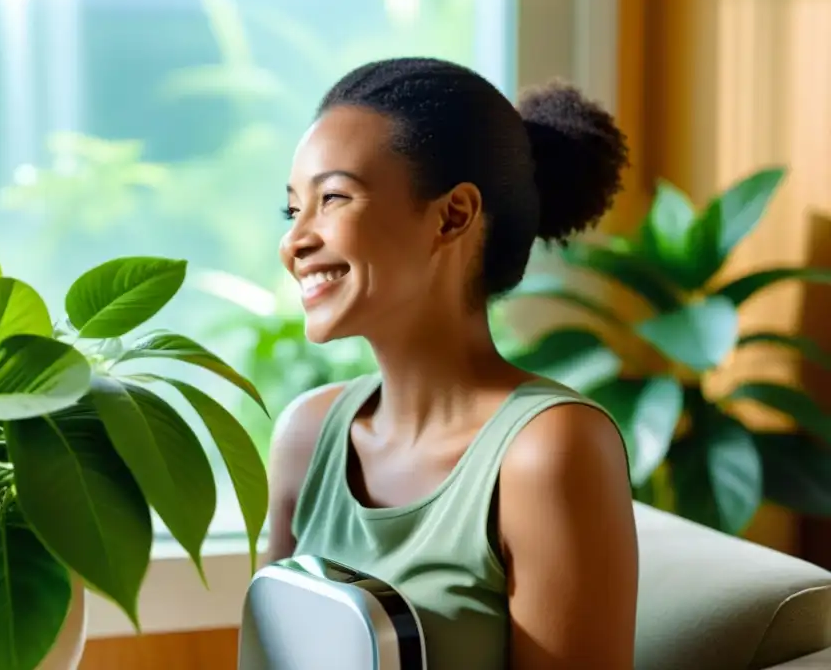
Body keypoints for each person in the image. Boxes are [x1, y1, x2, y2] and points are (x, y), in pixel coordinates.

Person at [266, 58, 638, 670]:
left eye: (332, 198)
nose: (295, 241)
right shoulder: (305, 436)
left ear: (452, 215)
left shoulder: (549, 451)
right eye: (292, 210)